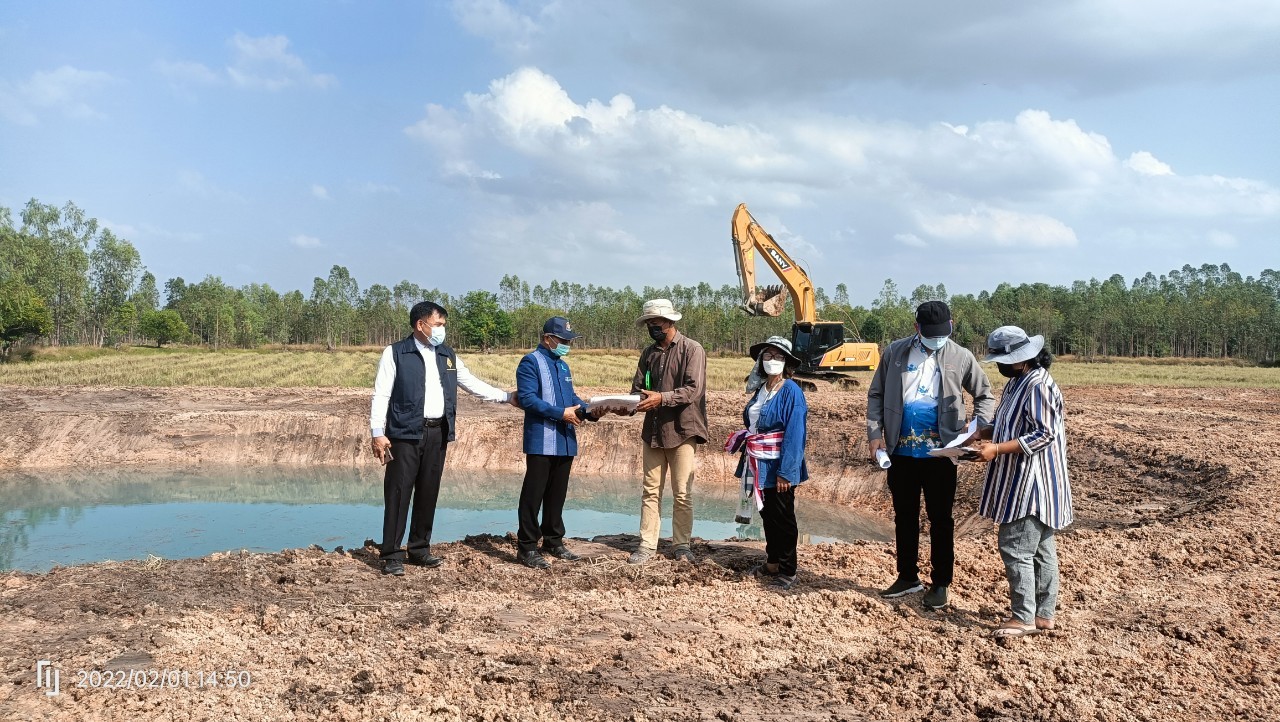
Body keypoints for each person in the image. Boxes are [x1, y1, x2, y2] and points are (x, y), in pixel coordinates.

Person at [370, 301, 517, 577]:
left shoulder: (446, 354)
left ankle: (419, 548)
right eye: (438, 324)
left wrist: (506, 397)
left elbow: (470, 382)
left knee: (429, 491)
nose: (441, 330)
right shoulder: (396, 353)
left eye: (443, 326)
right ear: (420, 324)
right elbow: (382, 394)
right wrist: (377, 432)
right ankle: (392, 554)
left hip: (437, 432)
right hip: (404, 434)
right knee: (399, 493)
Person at [866, 300, 995, 609]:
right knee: (904, 516)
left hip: (942, 454)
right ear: (917, 328)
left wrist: (978, 428)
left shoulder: (961, 356)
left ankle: (940, 583)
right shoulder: (895, 353)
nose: (938, 339)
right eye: (931, 334)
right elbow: (876, 394)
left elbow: (984, 394)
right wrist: (874, 435)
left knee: (941, 520)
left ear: (951, 326)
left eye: (943, 333)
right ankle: (907, 576)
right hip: (901, 452)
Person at [969, 326, 1073, 638]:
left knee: (1015, 546)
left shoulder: (1038, 385)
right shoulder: (1017, 382)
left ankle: (1023, 617)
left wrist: (997, 449)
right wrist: (981, 433)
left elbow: (1044, 434)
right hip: (1022, 478)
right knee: (1040, 548)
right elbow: (1009, 422)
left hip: (1032, 483)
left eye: (1003, 359)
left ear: (1021, 358)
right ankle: (1043, 615)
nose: (999, 365)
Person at [513, 316, 600, 569]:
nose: (566, 345)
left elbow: (572, 398)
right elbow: (527, 399)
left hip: (564, 440)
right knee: (533, 495)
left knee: (557, 494)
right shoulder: (531, 362)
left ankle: (553, 540)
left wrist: (591, 410)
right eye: (562, 340)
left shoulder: (563, 366)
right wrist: (561, 414)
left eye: (569, 341)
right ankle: (527, 547)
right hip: (542, 439)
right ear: (547, 338)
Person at [628, 298, 709, 565]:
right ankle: (646, 545)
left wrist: (661, 398)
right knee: (650, 490)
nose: (652, 327)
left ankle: (681, 545)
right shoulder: (648, 353)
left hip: (682, 429)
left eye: (656, 323)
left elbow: (692, 390)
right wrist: (629, 402)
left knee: (682, 492)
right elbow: (638, 388)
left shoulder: (692, 349)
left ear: (670, 322)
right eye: (649, 323)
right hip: (653, 431)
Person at [729, 335, 809, 590]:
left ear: (786, 362)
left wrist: (786, 472)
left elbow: (795, 434)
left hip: (778, 465)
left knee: (783, 517)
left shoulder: (791, 391)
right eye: (768, 355)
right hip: (758, 462)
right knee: (767, 514)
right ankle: (772, 561)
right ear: (761, 361)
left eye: (778, 356)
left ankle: (788, 569)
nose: (772, 360)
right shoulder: (761, 390)